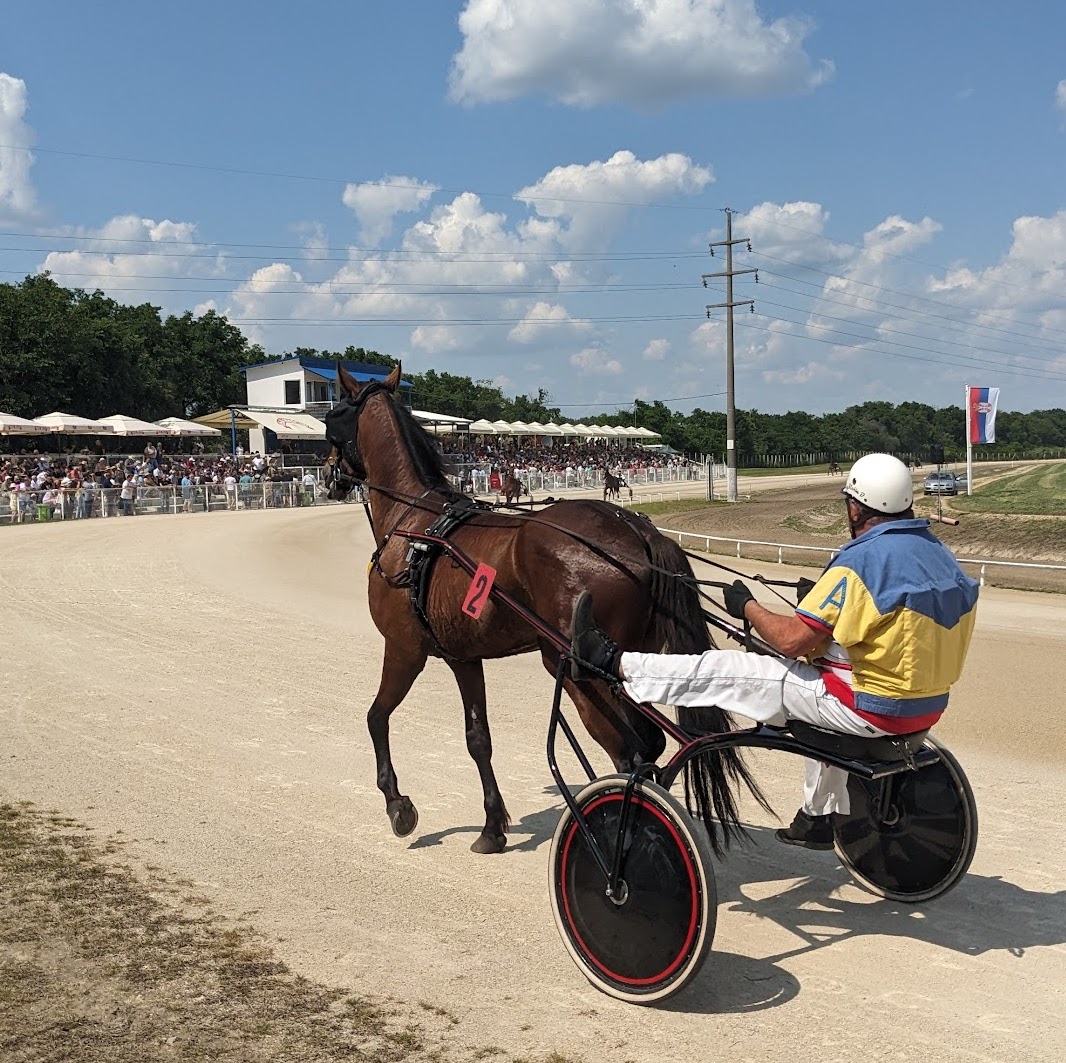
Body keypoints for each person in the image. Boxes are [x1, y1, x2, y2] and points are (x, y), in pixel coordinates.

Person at [570, 453, 980, 851]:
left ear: (856, 510)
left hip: (869, 709)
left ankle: (613, 662)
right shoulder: (940, 554)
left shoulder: (861, 561)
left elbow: (790, 641)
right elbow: (893, 633)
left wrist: (747, 606)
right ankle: (817, 818)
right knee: (818, 681)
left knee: (730, 668)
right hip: (924, 708)